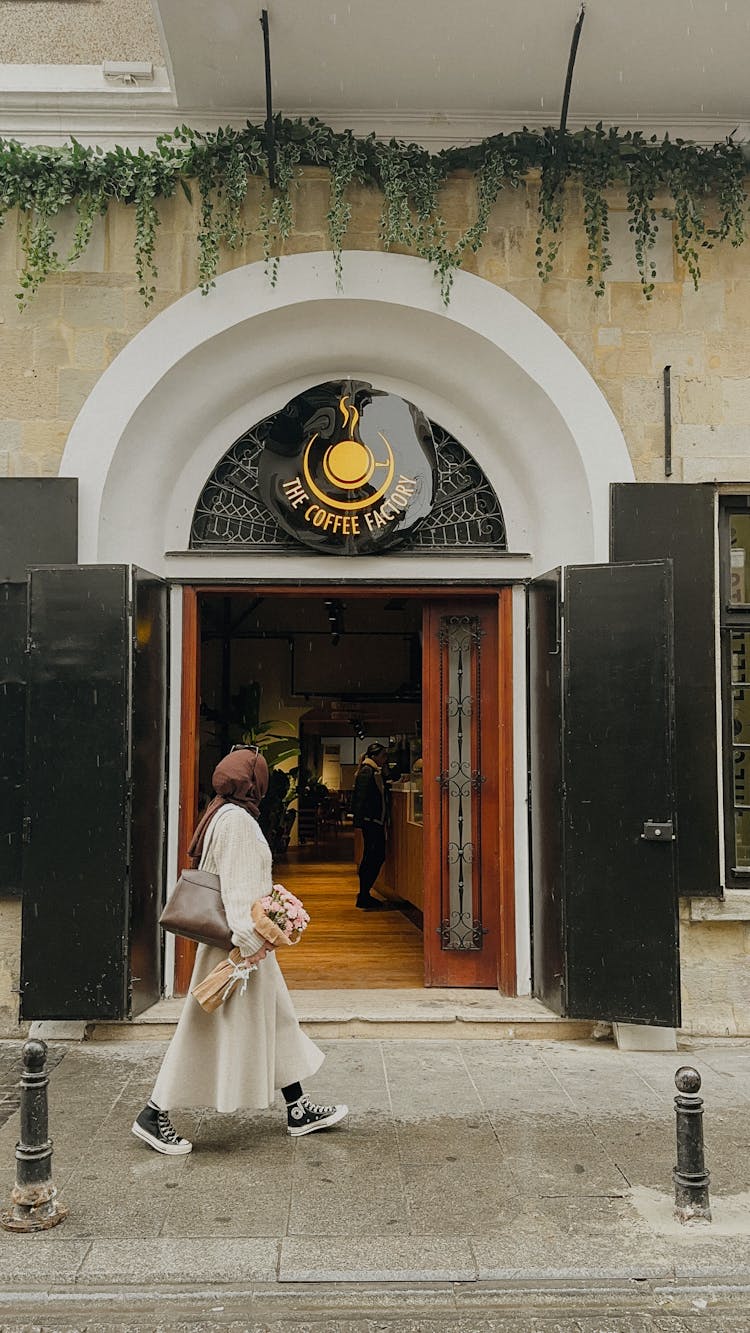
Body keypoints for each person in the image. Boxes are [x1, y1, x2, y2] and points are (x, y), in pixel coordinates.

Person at [132, 745, 348, 1155]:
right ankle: (153, 1112)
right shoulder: (240, 824)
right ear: (255, 783)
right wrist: (253, 946)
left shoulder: (220, 812)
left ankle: (298, 1107)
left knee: (278, 1019)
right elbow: (239, 894)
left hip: (236, 949)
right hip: (237, 952)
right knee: (202, 1027)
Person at [352, 741, 394, 911]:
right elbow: (360, 797)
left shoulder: (373, 771)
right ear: (375, 756)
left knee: (372, 856)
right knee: (373, 857)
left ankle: (364, 894)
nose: (385, 759)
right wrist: (360, 820)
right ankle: (363, 894)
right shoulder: (368, 771)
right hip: (371, 821)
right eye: (383, 755)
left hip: (373, 821)